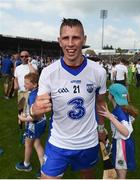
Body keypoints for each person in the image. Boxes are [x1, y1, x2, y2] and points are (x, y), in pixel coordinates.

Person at [30, 18, 107, 179]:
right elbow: (38, 110)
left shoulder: (98, 71)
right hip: (59, 143)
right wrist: (34, 111)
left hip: (88, 142)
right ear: (59, 41)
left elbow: (100, 102)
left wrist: (101, 128)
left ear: (84, 39)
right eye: (66, 38)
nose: (70, 43)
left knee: (88, 176)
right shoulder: (49, 73)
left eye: (76, 37)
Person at [98, 83, 138, 179]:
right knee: (120, 169)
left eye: (109, 94)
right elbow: (131, 120)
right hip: (123, 143)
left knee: (121, 173)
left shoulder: (119, 112)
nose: (108, 95)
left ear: (112, 97)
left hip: (122, 144)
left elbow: (126, 132)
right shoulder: (123, 108)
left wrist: (111, 118)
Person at [15, 73, 46, 178]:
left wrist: (22, 118)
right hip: (41, 122)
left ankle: (26, 165)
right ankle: (44, 168)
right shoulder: (36, 92)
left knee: (28, 144)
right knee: (36, 143)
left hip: (34, 123)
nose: (24, 85)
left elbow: (35, 116)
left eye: (27, 83)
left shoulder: (33, 97)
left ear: (35, 84)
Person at [14, 51, 38, 127]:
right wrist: (16, 84)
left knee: (29, 110)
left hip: (31, 92)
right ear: (20, 57)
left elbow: (34, 73)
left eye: (26, 56)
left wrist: (29, 63)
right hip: (21, 91)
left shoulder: (33, 65)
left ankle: (28, 125)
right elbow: (16, 77)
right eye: (22, 56)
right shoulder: (18, 67)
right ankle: (21, 122)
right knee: (21, 109)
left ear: (29, 56)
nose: (24, 58)